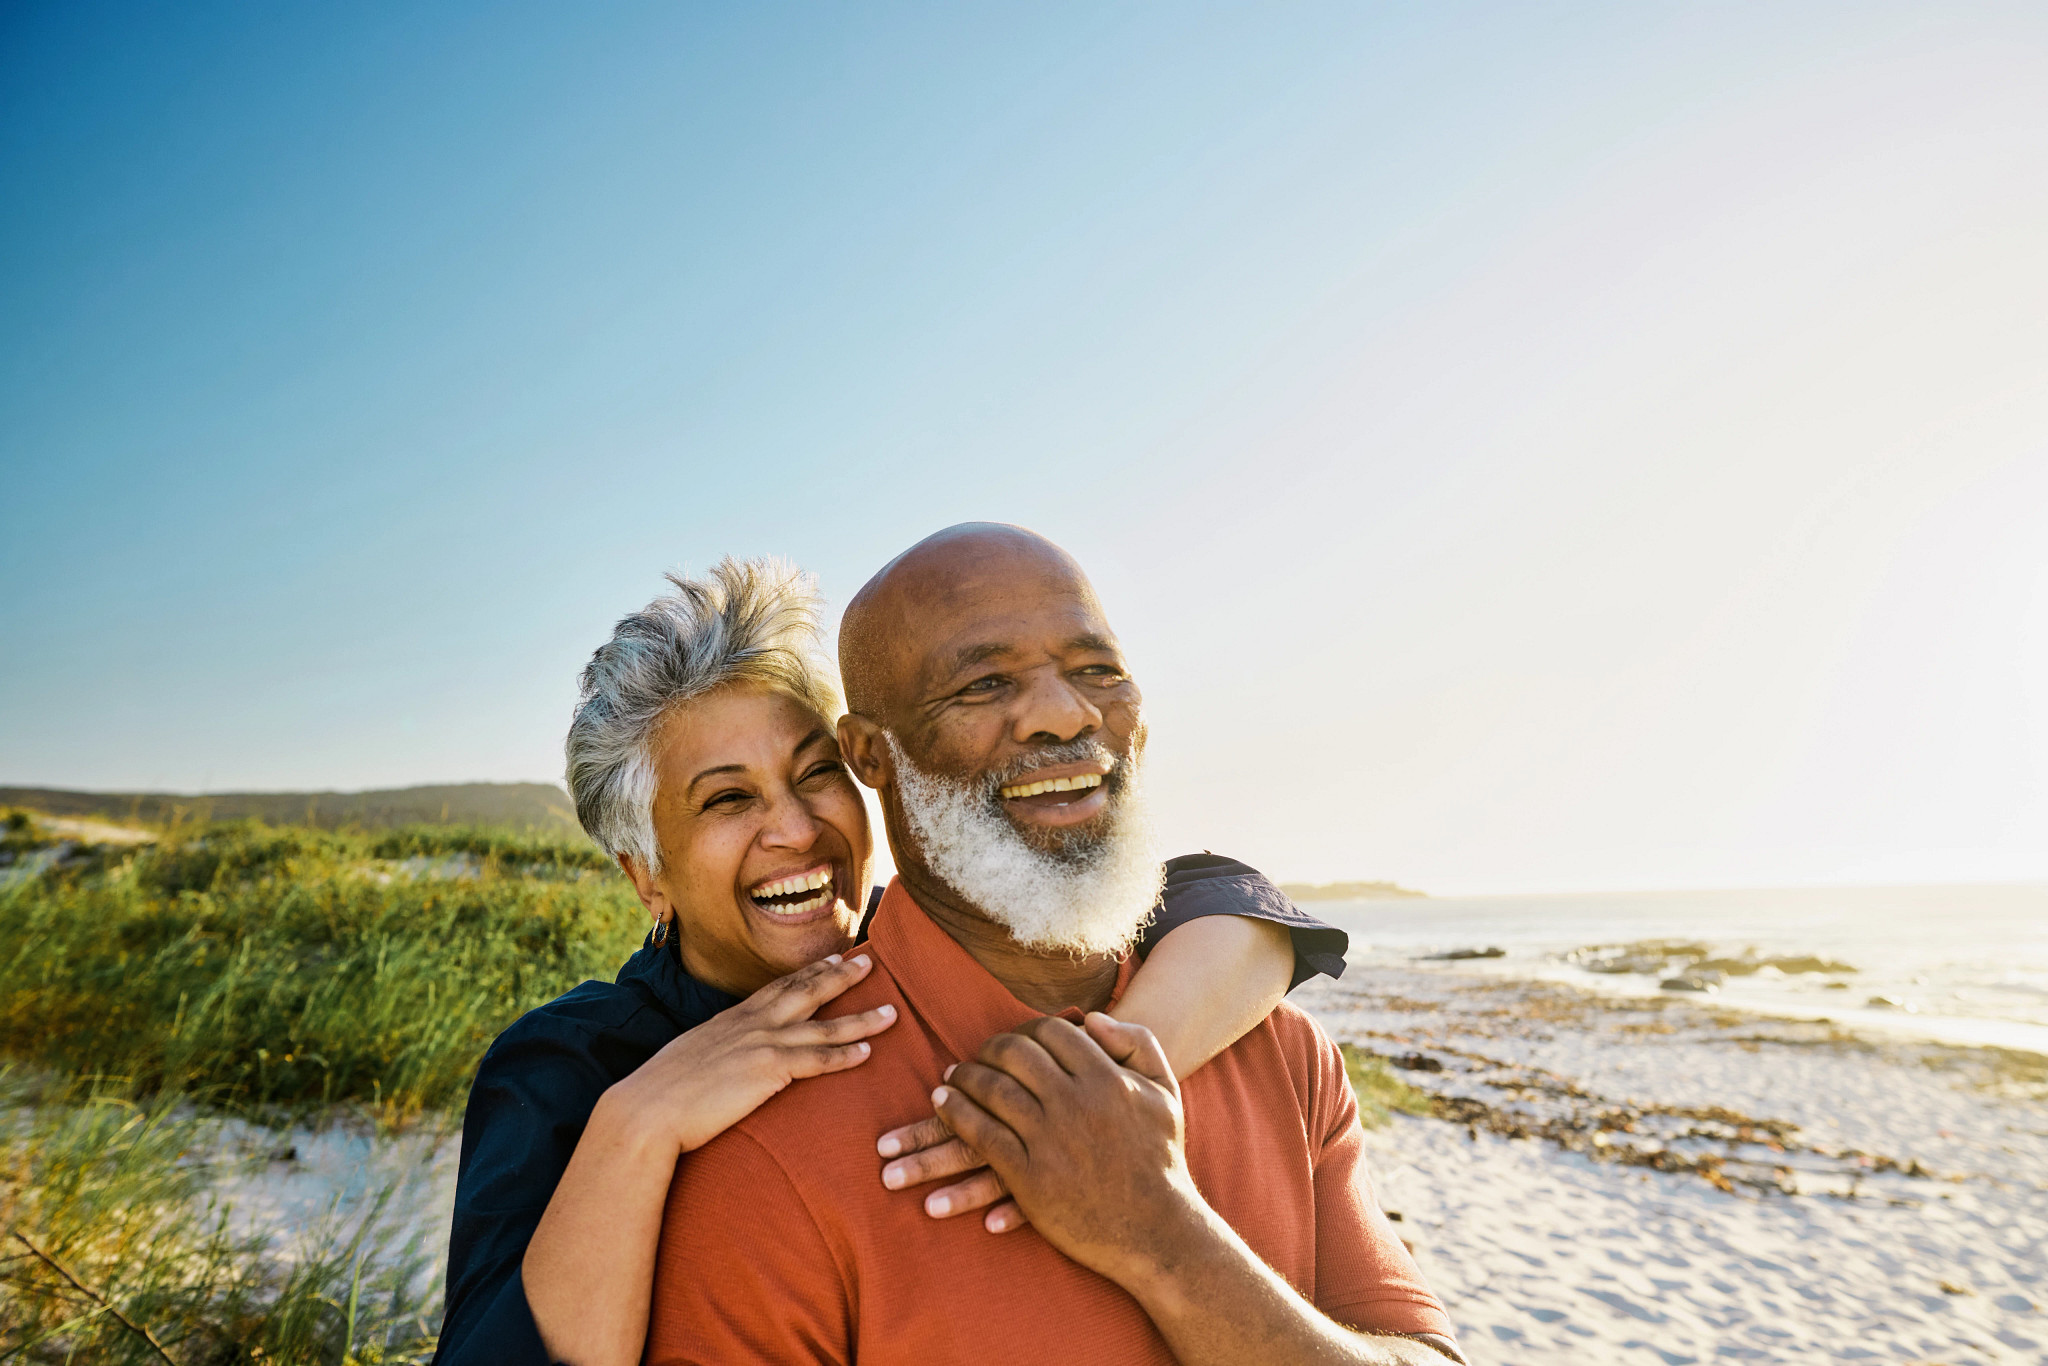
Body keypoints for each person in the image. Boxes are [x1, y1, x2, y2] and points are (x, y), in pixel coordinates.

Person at [435, 556, 1350, 1366]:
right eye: (725, 801)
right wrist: (639, 1122)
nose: (795, 830)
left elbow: (1221, 896)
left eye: (814, 773)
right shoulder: (571, 1069)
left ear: (868, 766)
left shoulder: (936, 943)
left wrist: (1102, 1073)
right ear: (647, 876)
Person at [643, 524, 1463, 1365]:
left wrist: (1162, 1236)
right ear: (869, 755)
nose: (1065, 715)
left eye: (1097, 672)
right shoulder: (762, 1155)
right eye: (985, 682)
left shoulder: (1283, 1055)